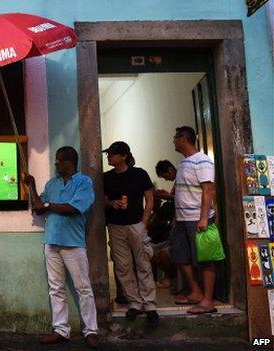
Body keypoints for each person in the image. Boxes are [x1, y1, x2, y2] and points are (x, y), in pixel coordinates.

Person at [26, 146, 99, 349]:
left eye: (59, 160)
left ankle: (91, 330)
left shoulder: (84, 183)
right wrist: (31, 186)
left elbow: (74, 208)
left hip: (73, 244)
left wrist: (47, 206)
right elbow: (39, 208)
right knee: (56, 288)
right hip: (52, 241)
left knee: (83, 288)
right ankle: (60, 330)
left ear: (70, 162)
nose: (56, 163)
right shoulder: (52, 184)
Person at [102, 141, 158, 327]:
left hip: (136, 224)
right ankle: (134, 301)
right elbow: (103, 200)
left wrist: (144, 223)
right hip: (116, 226)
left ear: (124, 156)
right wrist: (111, 204)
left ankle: (149, 304)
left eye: (112, 153)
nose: (109, 156)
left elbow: (150, 200)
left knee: (143, 263)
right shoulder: (106, 177)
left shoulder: (139, 174)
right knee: (122, 266)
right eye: (108, 154)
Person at [171, 126, 217, 314]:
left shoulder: (203, 161)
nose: (173, 141)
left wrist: (204, 218)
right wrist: (176, 216)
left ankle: (208, 301)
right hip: (182, 219)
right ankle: (195, 292)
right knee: (180, 256)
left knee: (205, 259)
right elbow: (181, 193)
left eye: (175, 137)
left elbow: (208, 190)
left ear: (183, 138)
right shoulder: (183, 163)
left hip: (197, 218)